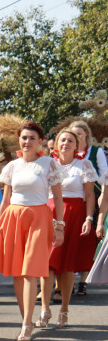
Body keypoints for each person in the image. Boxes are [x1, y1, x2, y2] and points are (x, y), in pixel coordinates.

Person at [0, 122, 65, 341]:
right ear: (19, 140)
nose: (27, 142)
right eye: (24, 138)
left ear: (40, 141)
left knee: (30, 270)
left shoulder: (49, 164)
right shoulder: (13, 166)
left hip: (39, 218)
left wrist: (59, 226)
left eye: (32, 138)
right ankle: (25, 319)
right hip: (14, 218)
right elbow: (6, 199)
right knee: (18, 273)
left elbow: (57, 197)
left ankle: (27, 324)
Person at [37, 130, 96, 327]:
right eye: (62, 140)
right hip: (50, 213)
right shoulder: (47, 164)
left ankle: (64, 310)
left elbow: (89, 196)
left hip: (75, 215)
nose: (66, 144)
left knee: (67, 266)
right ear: (56, 144)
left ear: (77, 145)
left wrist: (89, 218)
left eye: (70, 140)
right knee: (47, 263)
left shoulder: (84, 165)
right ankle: (45, 309)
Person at [68, 120, 107, 295]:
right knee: (71, 240)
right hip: (74, 199)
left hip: (94, 197)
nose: (76, 136)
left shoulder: (96, 152)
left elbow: (104, 175)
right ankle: (66, 278)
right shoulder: (69, 154)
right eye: (73, 134)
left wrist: (88, 176)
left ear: (86, 135)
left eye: (80, 133)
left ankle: (83, 280)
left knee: (88, 240)